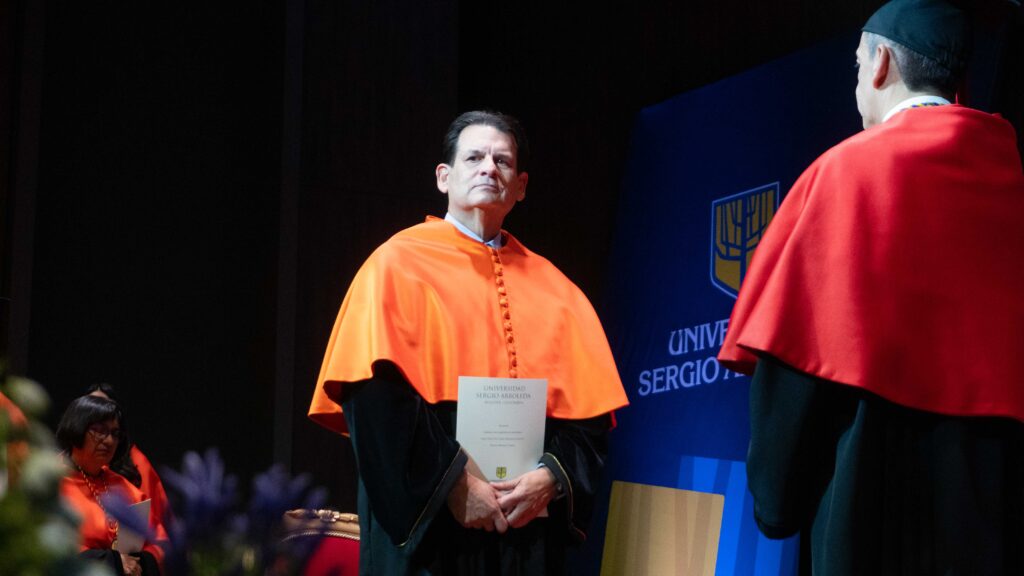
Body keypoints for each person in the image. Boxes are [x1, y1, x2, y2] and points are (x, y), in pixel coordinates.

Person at [718, 0, 1024, 574]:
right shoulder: (1013, 180)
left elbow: (798, 363)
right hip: (994, 509)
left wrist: (776, 498)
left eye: (858, 64)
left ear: (880, 64)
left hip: (868, 501)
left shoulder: (845, 173)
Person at [308, 110, 629, 574]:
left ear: (520, 186)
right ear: (444, 177)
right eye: (474, 158)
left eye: (502, 161)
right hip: (431, 527)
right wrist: (454, 487)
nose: (489, 169)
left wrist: (551, 478)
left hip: (525, 528)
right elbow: (374, 402)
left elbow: (590, 422)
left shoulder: (559, 290)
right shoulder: (394, 266)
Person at [57, 395, 169, 576]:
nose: (109, 441)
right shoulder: (52, 482)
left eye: (115, 434)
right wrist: (113, 562)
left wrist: (139, 562)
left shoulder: (123, 487)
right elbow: (48, 544)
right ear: (76, 428)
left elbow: (159, 542)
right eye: (99, 431)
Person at [86, 383, 173, 529]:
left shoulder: (136, 463)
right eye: (89, 407)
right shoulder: (64, 463)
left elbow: (154, 526)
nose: (96, 414)